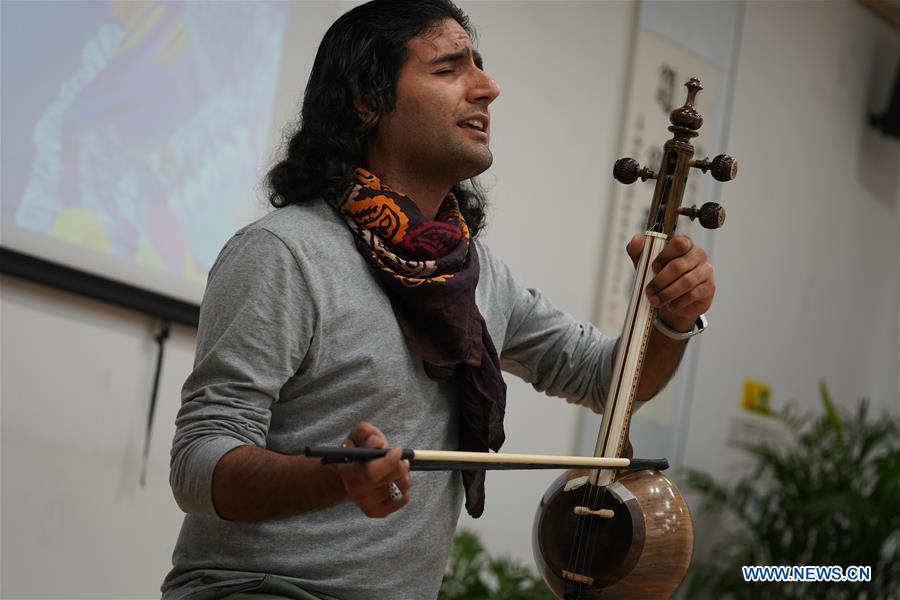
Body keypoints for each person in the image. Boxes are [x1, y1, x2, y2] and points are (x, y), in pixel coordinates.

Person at [161, 1, 716, 599]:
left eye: (480, 66)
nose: (489, 87)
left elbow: (609, 378)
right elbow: (198, 462)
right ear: (367, 101)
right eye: (450, 69)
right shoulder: (282, 253)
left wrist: (673, 317)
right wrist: (335, 480)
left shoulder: (477, 277)